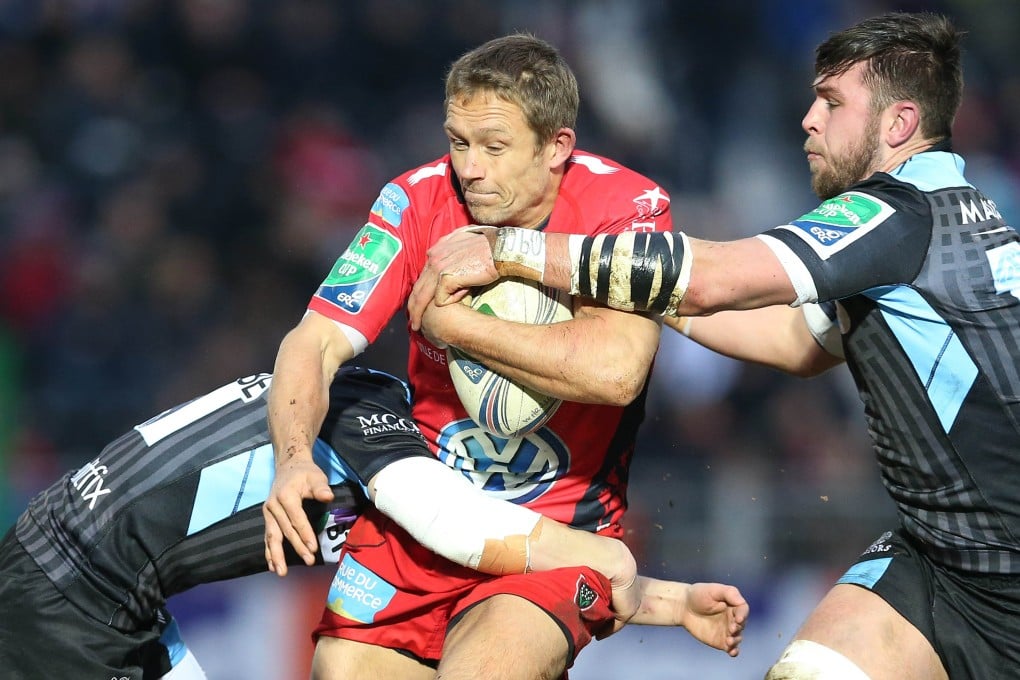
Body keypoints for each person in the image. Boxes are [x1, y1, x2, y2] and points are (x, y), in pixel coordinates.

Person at [410, 11, 1020, 680]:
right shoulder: (949, 213)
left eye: (833, 102)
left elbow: (715, 281)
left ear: (899, 124)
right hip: (939, 565)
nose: (809, 119)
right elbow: (795, 343)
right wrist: (634, 290)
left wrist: (512, 249)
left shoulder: (894, 213)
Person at [262, 33, 693, 680]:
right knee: (340, 669)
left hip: (559, 528)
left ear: (557, 148)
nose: (470, 167)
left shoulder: (624, 209)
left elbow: (616, 372)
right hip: (426, 519)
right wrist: (293, 457)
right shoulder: (413, 200)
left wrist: (454, 324)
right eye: (459, 142)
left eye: (494, 147)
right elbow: (314, 340)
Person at [0, 365, 747, 680]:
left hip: (91, 583)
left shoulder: (354, 405)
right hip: (71, 595)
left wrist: (668, 601)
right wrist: (598, 547)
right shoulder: (374, 420)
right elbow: (457, 523)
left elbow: (481, 549)